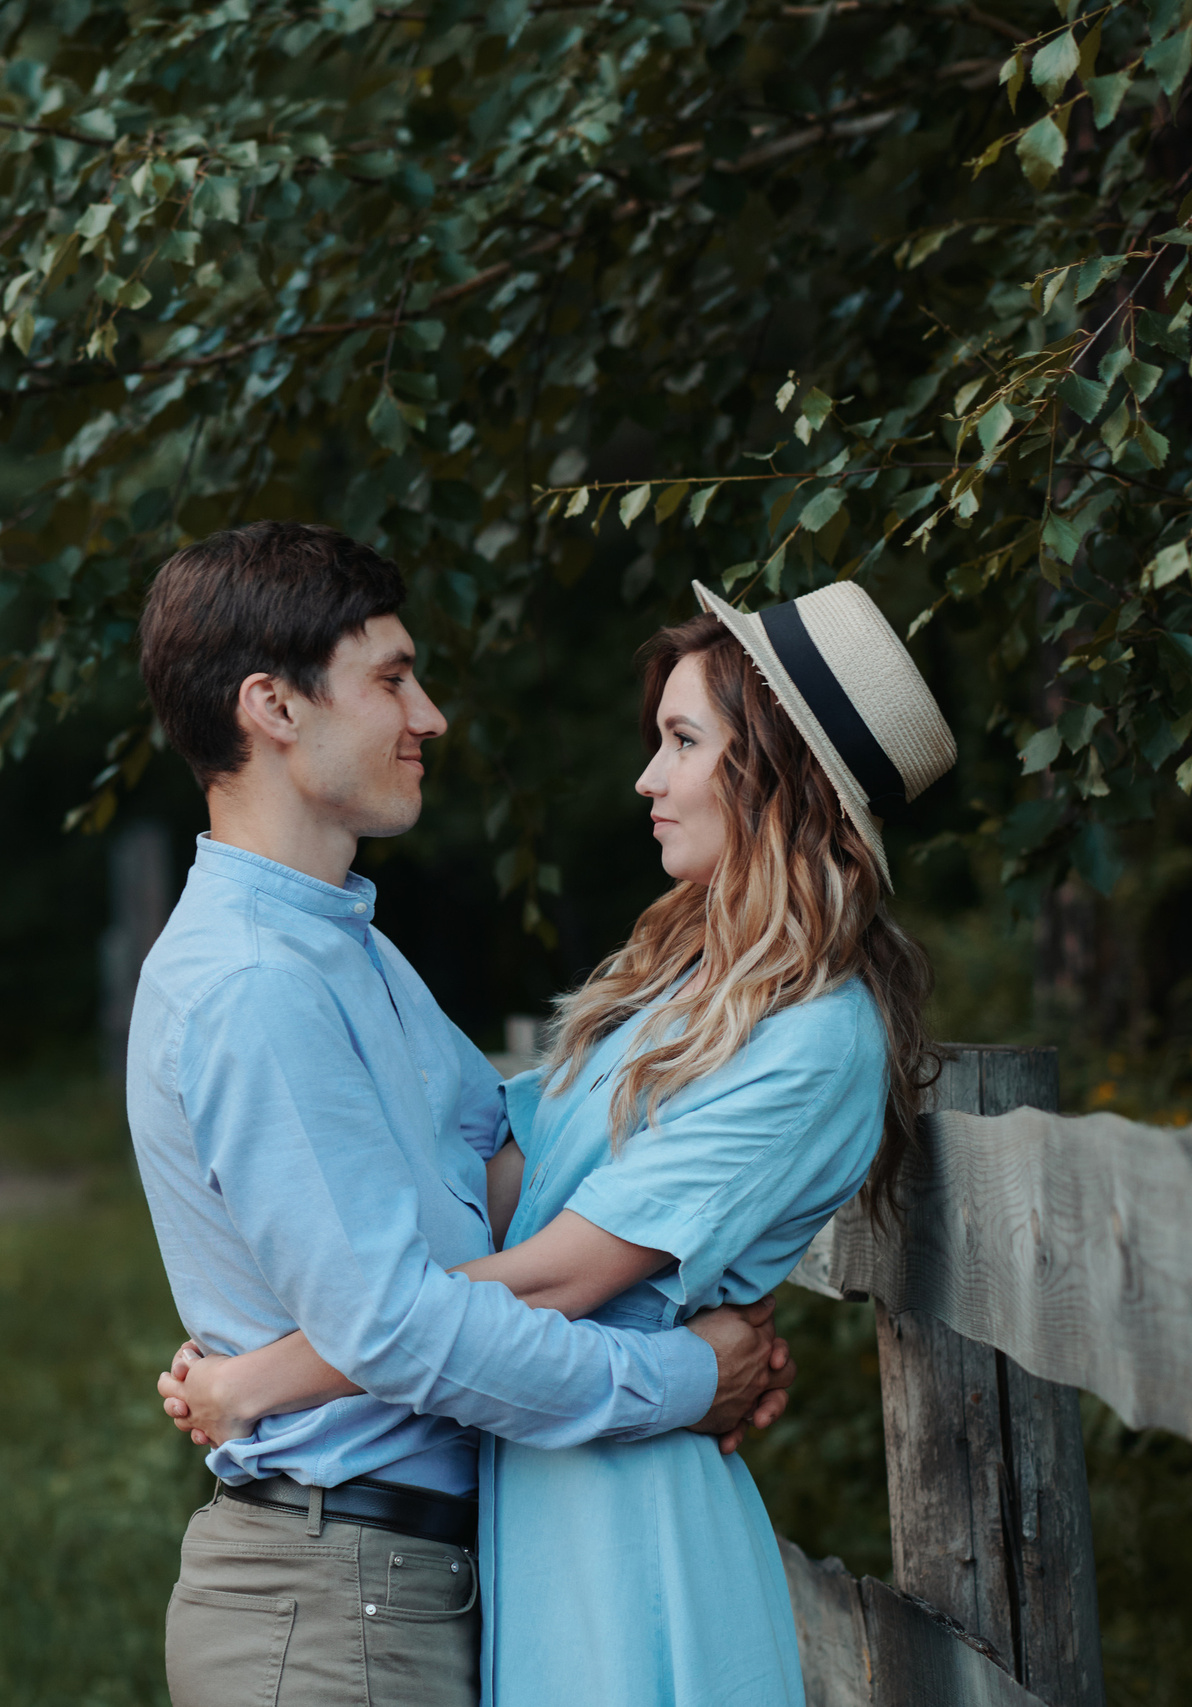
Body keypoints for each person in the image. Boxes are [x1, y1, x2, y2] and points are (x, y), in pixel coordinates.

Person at [154, 575, 957, 1707]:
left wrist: (262, 1383)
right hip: (538, 1485)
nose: (647, 775)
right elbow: (495, 1180)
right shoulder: (670, 997)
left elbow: (556, 1274)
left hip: (625, 1523)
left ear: (775, 779)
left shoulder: (818, 1039)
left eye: (682, 740)